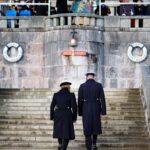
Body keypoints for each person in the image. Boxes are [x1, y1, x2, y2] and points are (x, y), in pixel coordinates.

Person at [78, 73, 106, 150]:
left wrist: (80, 112)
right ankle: (93, 144)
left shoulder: (82, 86)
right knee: (95, 127)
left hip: (85, 108)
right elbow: (102, 98)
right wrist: (103, 111)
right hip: (96, 108)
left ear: (87, 77)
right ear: (94, 77)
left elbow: (79, 100)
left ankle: (88, 148)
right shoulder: (99, 85)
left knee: (87, 128)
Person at [50, 82, 77, 150]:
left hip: (58, 114)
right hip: (67, 114)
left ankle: (60, 144)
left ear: (61, 87)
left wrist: (52, 116)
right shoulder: (71, 95)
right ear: (68, 87)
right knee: (66, 133)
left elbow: (52, 106)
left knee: (59, 130)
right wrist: (74, 117)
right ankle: (63, 148)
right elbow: (74, 107)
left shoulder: (56, 94)